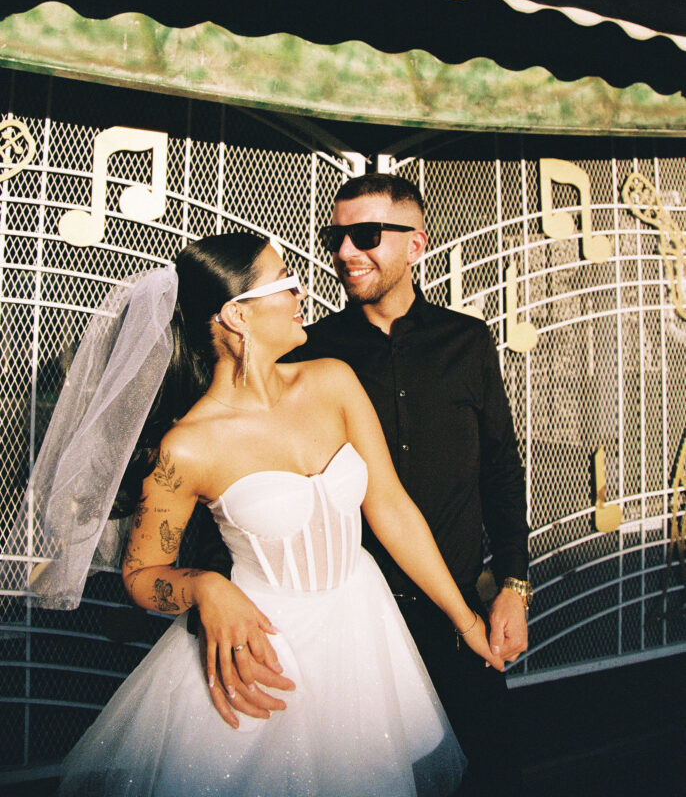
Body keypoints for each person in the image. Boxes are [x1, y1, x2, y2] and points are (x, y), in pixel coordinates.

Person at [14, 231, 508, 796]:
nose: (303, 294)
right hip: (261, 651)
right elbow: (142, 574)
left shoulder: (334, 381)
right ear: (236, 315)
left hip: (363, 635)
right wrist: (206, 589)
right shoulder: (188, 448)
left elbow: (392, 507)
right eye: (287, 282)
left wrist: (464, 619)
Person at [196, 175, 530, 795]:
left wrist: (513, 583)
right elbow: (237, 487)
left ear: (415, 245)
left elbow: (501, 471)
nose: (346, 252)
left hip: (457, 611)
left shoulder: (468, 342)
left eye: (367, 235)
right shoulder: (307, 355)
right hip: (350, 639)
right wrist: (211, 586)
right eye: (336, 237)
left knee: (490, 775)